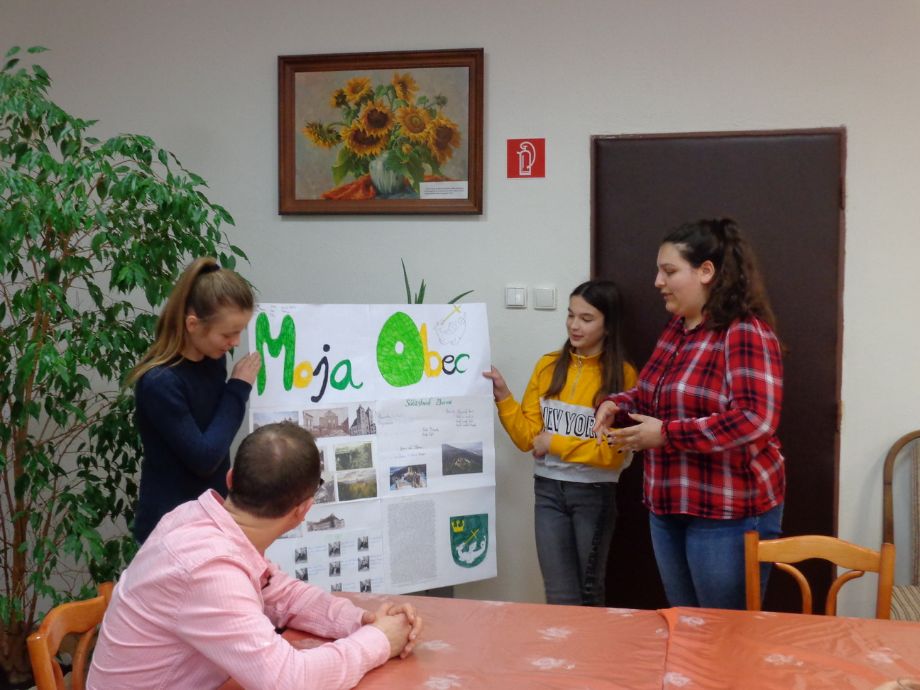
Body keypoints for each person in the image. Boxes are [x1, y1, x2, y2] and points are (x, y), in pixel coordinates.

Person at [87, 422, 423, 689]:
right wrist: (380, 640)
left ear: (231, 478)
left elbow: (278, 592)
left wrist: (361, 621)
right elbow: (290, 680)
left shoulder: (195, 519)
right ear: (303, 510)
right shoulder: (209, 569)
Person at [593, 218, 784, 610]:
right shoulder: (676, 329)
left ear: (706, 272)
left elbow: (755, 419)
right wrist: (617, 404)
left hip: (727, 514)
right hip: (667, 506)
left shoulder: (744, 331)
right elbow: (654, 396)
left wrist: (667, 435)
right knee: (686, 626)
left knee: (724, 634)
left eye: (669, 271)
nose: (657, 282)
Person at [483, 280, 637, 606]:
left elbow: (612, 453)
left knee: (588, 593)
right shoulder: (548, 366)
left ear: (608, 326)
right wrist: (504, 396)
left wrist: (555, 444)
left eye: (586, 318)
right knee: (558, 593)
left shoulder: (623, 377)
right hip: (548, 492)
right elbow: (528, 439)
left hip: (594, 494)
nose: (574, 325)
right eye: (570, 315)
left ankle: (590, 643)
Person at [127, 257, 262, 543]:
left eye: (239, 331)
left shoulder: (213, 360)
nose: (236, 342)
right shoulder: (160, 382)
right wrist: (238, 388)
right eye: (228, 334)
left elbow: (216, 434)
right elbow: (205, 457)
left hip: (208, 522)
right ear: (192, 324)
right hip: (169, 534)